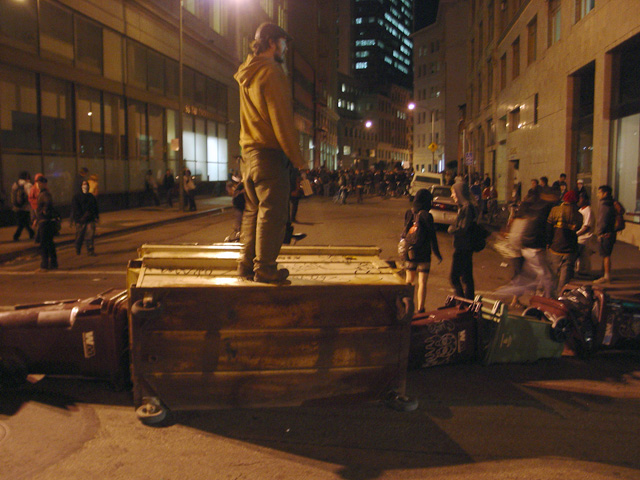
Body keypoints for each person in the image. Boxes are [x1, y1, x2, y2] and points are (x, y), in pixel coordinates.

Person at [234, 22, 306, 284]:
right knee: (273, 212)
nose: (285, 49)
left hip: (249, 156)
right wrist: (299, 160)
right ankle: (265, 268)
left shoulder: (247, 73)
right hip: (269, 156)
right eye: (284, 43)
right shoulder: (272, 72)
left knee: (254, 212)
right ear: (273, 42)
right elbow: (282, 121)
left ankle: (246, 264)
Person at [401, 189, 442, 314]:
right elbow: (432, 236)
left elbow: (405, 231)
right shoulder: (426, 216)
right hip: (424, 253)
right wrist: (437, 253)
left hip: (410, 252)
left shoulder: (409, 213)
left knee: (409, 281)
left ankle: (406, 307)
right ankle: (420, 309)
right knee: (422, 282)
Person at [546, 190, 582, 291]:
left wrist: (548, 242)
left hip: (555, 247)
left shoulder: (555, 210)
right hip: (570, 250)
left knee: (552, 275)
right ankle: (560, 298)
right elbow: (577, 229)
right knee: (565, 279)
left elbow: (549, 229)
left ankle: (549, 298)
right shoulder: (579, 215)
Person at [448, 180, 477, 299]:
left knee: (454, 277)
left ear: (459, 193)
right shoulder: (465, 207)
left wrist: (451, 229)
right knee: (466, 277)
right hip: (464, 246)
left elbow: (463, 227)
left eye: (454, 193)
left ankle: (461, 302)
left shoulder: (467, 208)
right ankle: (467, 303)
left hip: (463, 247)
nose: (452, 195)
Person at [594, 185, 617, 284]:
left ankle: (606, 276)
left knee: (605, 255)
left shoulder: (604, 205)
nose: (598, 195)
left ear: (605, 193)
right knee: (606, 254)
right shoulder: (611, 203)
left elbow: (602, 220)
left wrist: (599, 233)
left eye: (599, 192)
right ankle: (605, 274)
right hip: (610, 232)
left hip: (605, 234)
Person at [71, 180, 99, 256]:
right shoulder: (76, 197)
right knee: (79, 236)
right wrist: (80, 217)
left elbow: (95, 207)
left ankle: (90, 250)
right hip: (80, 220)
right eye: (83, 184)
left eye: (86, 185)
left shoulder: (91, 197)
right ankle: (78, 248)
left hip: (90, 219)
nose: (85, 186)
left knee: (90, 235)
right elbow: (75, 208)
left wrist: (96, 217)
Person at [35, 177, 58, 271]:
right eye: (37, 183)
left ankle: (44, 264)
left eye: (40, 183)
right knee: (49, 243)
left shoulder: (44, 194)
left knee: (44, 244)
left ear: (44, 184)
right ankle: (53, 263)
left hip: (44, 222)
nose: (38, 185)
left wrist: (44, 212)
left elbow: (48, 203)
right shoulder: (43, 193)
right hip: (45, 221)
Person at [11, 171, 34, 242]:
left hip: (16, 207)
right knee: (24, 223)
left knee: (23, 223)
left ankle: (31, 234)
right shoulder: (27, 185)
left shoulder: (15, 184)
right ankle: (17, 236)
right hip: (25, 207)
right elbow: (31, 195)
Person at [575, 192, 595, 277]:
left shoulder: (588, 210)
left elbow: (587, 226)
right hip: (580, 237)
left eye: (581, 198)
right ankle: (581, 270)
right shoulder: (580, 210)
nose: (579, 200)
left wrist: (577, 233)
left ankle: (585, 272)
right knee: (580, 256)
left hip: (585, 237)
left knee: (584, 256)